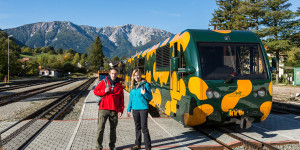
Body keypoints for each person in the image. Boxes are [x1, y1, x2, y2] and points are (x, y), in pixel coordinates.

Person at [94, 68, 124, 150]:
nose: (114, 75)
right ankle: (98, 147)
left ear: (117, 74)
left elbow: (121, 98)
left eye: (115, 73)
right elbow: (95, 91)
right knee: (100, 128)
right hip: (103, 109)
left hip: (114, 110)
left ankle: (112, 146)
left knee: (113, 129)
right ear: (109, 74)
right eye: (112, 73)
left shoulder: (119, 85)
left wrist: (121, 110)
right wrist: (103, 91)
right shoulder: (103, 82)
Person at [127, 69, 153, 150]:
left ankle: (148, 147)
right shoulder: (132, 86)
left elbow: (150, 97)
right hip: (135, 109)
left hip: (143, 109)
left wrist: (144, 93)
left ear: (140, 75)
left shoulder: (145, 85)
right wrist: (128, 109)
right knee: (137, 127)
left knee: (144, 127)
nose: (136, 77)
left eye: (138, 75)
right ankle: (137, 144)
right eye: (135, 75)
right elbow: (130, 99)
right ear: (133, 76)